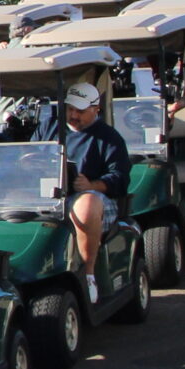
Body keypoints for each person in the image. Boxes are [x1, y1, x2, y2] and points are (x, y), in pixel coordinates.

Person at [60, 81, 131, 303]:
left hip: (93, 198)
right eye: (70, 109)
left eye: (80, 111)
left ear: (95, 109)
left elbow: (119, 177)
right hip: (49, 195)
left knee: (86, 205)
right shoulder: (50, 128)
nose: (73, 115)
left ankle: (88, 273)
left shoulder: (109, 137)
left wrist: (92, 185)